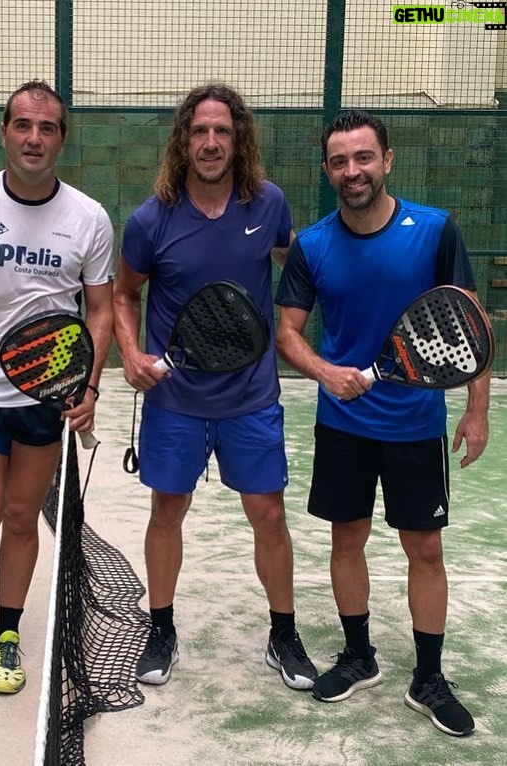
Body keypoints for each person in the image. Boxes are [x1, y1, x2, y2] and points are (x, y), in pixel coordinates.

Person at [275, 110, 490, 737]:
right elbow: (288, 333)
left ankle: (428, 679)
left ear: (387, 160)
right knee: (347, 540)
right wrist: (325, 371)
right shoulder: (312, 244)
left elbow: (471, 321)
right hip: (343, 422)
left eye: (363, 157)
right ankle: (358, 655)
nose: (353, 171)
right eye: (340, 161)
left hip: (416, 425)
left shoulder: (435, 230)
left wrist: (476, 410)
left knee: (424, 548)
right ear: (327, 171)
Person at [112, 83, 317, 690]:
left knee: (268, 512)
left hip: (250, 398)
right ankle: (162, 629)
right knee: (167, 510)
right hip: (175, 400)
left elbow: (296, 265)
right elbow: (124, 294)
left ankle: (283, 634)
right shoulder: (151, 219)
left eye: (221, 131)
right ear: (183, 140)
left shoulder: (268, 204)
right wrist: (130, 353)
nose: (209, 142)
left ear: (238, 139)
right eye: (199, 131)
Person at [0, 80, 114, 715]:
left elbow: (100, 311)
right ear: (4, 131)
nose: (34, 138)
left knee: (19, 519)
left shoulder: (89, 218)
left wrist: (87, 384)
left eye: (47, 128)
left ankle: (7, 633)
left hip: (46, 401)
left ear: (62, 138)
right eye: (23, 126)